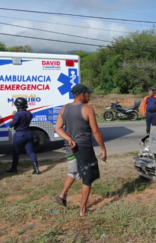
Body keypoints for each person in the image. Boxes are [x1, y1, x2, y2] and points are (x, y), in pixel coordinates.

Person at [54, 84, 107, 216]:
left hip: (69, 148)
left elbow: (57, 128)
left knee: (73, 170)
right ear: (82, 94)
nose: (89, 96)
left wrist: (69, 139)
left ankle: (62, 194)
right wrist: (103, 149)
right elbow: (96, 132)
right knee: (87, 177)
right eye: (88, 93)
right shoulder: (87, 109)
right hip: (83, 148)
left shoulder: (64, 108)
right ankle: (83, 211)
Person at [6, 97, 40, 174]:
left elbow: (11, 125)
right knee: (31, 152)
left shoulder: (17, 114)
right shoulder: (29, 113)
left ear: (17, 105)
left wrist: (12, 116)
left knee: (16, 152)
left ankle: (14, 168)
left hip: (19, 135)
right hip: (29, 133)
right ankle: (36, 169)